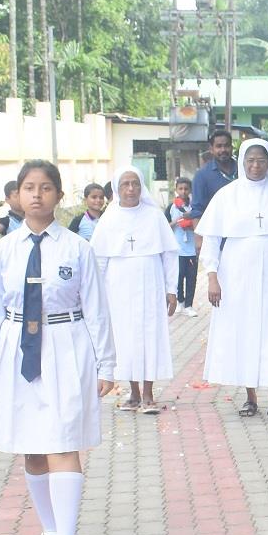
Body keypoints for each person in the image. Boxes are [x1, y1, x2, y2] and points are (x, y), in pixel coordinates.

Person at [0, 159, 116, 535]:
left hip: (66, 345)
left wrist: (106, 365)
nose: (37, 195)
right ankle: (50, 530)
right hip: (17, 349)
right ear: (17, 196)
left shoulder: (77, 249)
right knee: (33, 448)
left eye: (46, 188)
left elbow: (97, 310)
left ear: (58, 195)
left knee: (64, 438)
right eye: (29, 188)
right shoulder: (2, 252)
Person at [198, 138, 268, 423]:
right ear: (242, 162)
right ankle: (250, 397)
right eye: (250, 160)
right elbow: (211, 239)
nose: (255, 165)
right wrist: (212, 276)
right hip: (236, 271)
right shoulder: (228, 195)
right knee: (245, 329)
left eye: (261, 160)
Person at [90, 169, 177, 414]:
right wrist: (96, 293)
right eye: (125, 184)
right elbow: (99, 258)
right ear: (117, 189)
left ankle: (148, 393)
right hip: (118, 285)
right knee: (125, 337)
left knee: (150, 335)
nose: (130, 189)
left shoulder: (154, 215)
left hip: (150, 281)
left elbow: (169, 254)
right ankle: (134, 393)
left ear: (142, 187)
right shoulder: (109, 217)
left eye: (135, 184)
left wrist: (171, 289)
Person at [188, 127, 238, 222]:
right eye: (218, 146)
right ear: (211, 149)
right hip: (217, 231)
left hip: (243, 230)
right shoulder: (202, 176)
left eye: (226, 146)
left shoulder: (243, 171)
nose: (223, 150)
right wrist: (199, 237)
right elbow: (197, 211)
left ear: (231, 148)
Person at [168, 178, 199, 314]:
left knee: (191, 277)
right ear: (176, 189)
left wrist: (190, 226)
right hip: (178, 249)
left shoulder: (195, 207)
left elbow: (201, 225)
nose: (183, 191)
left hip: (192, 249)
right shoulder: (171, 207)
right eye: (180, 189)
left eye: (186, 189)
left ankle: (189, 305)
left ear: (190, 190)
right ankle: (180, 301)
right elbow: (165, 227)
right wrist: (177, 222)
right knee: (178, 276)